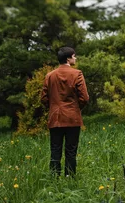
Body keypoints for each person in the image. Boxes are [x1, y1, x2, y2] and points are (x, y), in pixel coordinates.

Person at [41, 46, 89, 177]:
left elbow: (44, 98)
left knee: (55, 150)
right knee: (71, 151)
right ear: (68, 58)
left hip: (55, 118)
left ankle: (54, 179)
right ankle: (70, 178)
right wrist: (75, 108)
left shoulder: (49, 76)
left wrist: (53, 108)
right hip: (72, 118)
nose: (75, 58)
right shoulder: (77, 73)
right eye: (74, 56)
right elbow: (84, 98)